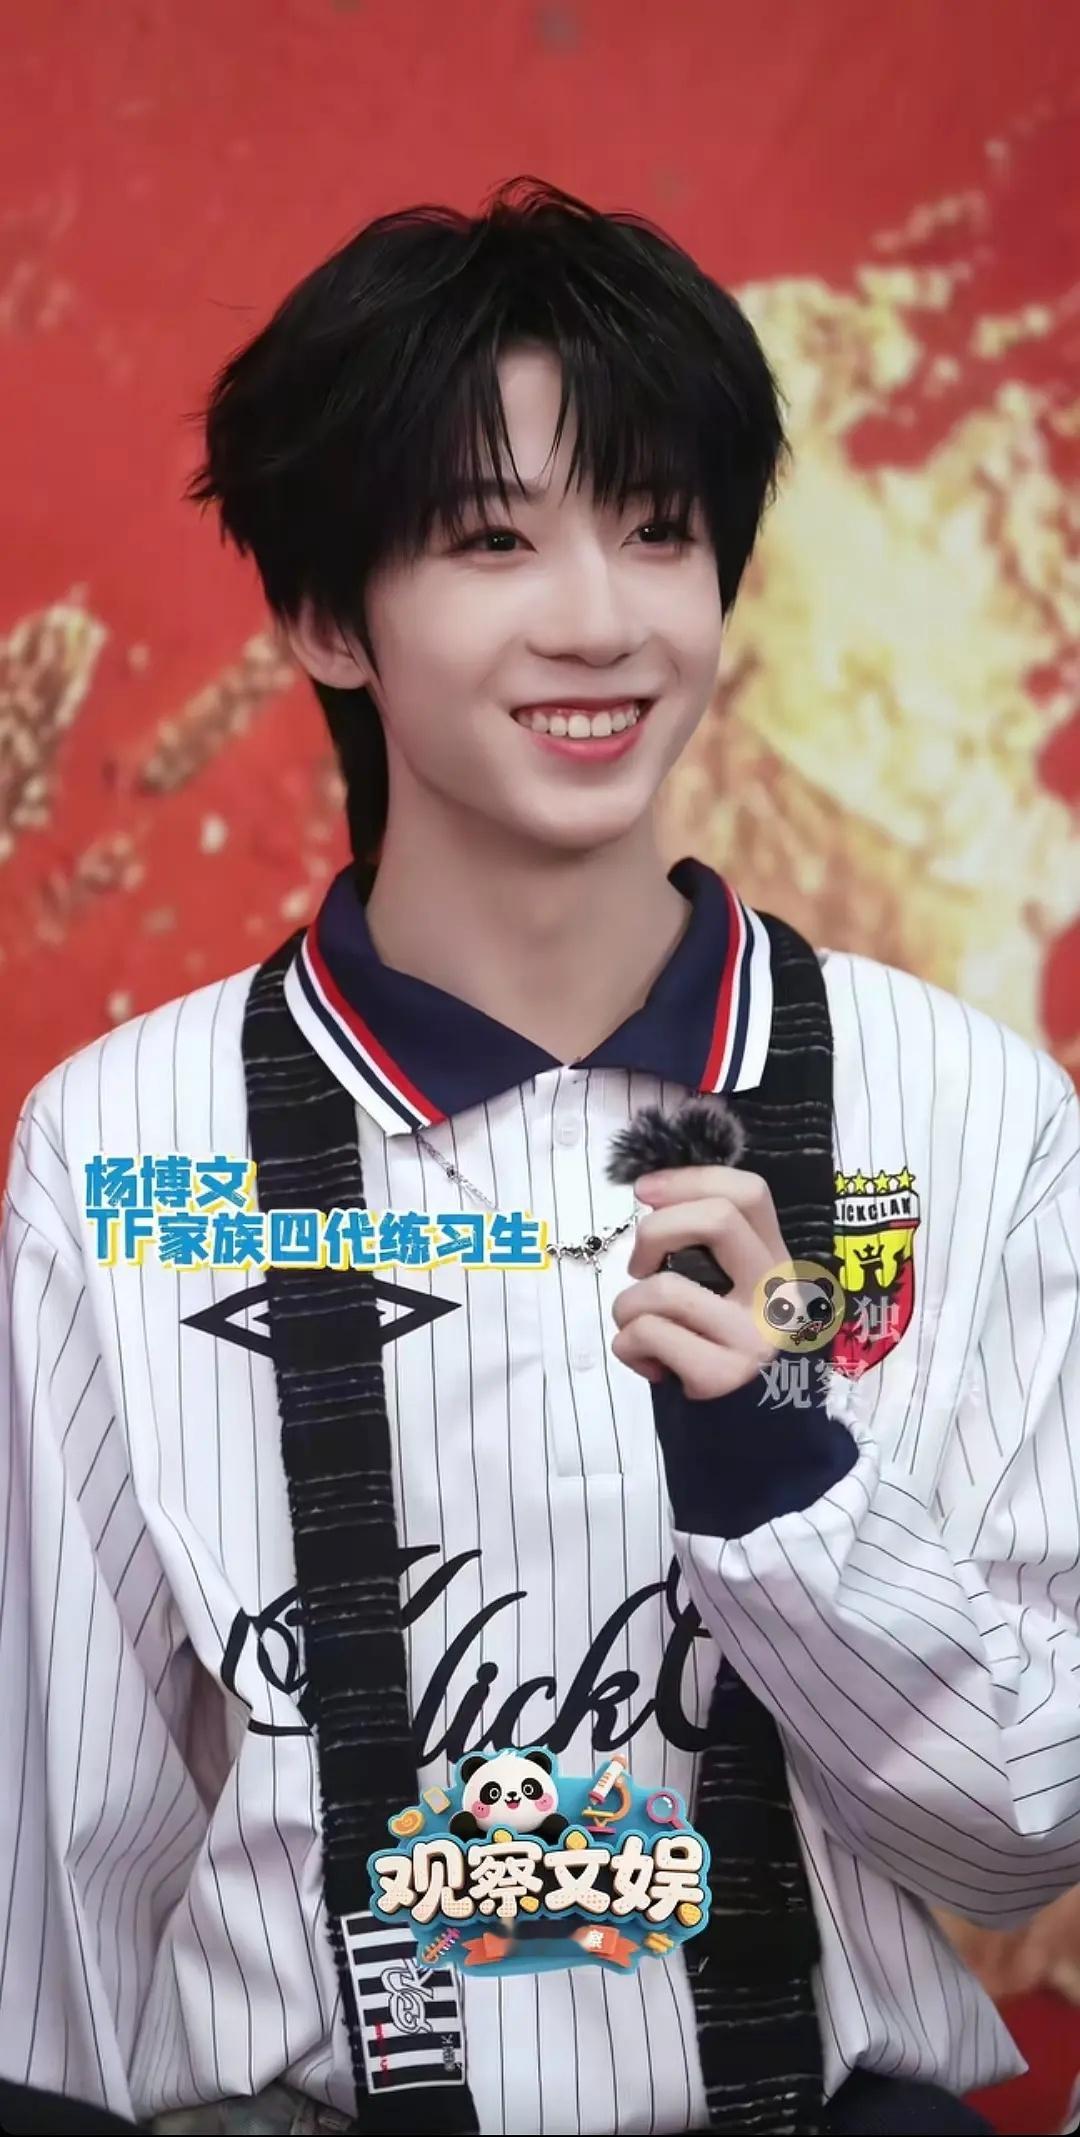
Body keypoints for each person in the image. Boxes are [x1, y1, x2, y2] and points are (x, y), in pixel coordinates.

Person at [1, 175, 1077, 2137]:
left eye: (660, 528)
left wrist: (785, 1475)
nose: (600, 618)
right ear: (326, 615)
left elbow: (1026, 1829)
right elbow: (60, 1878)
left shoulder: (969, 1111)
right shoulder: (122, 1149)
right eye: (493, 538)